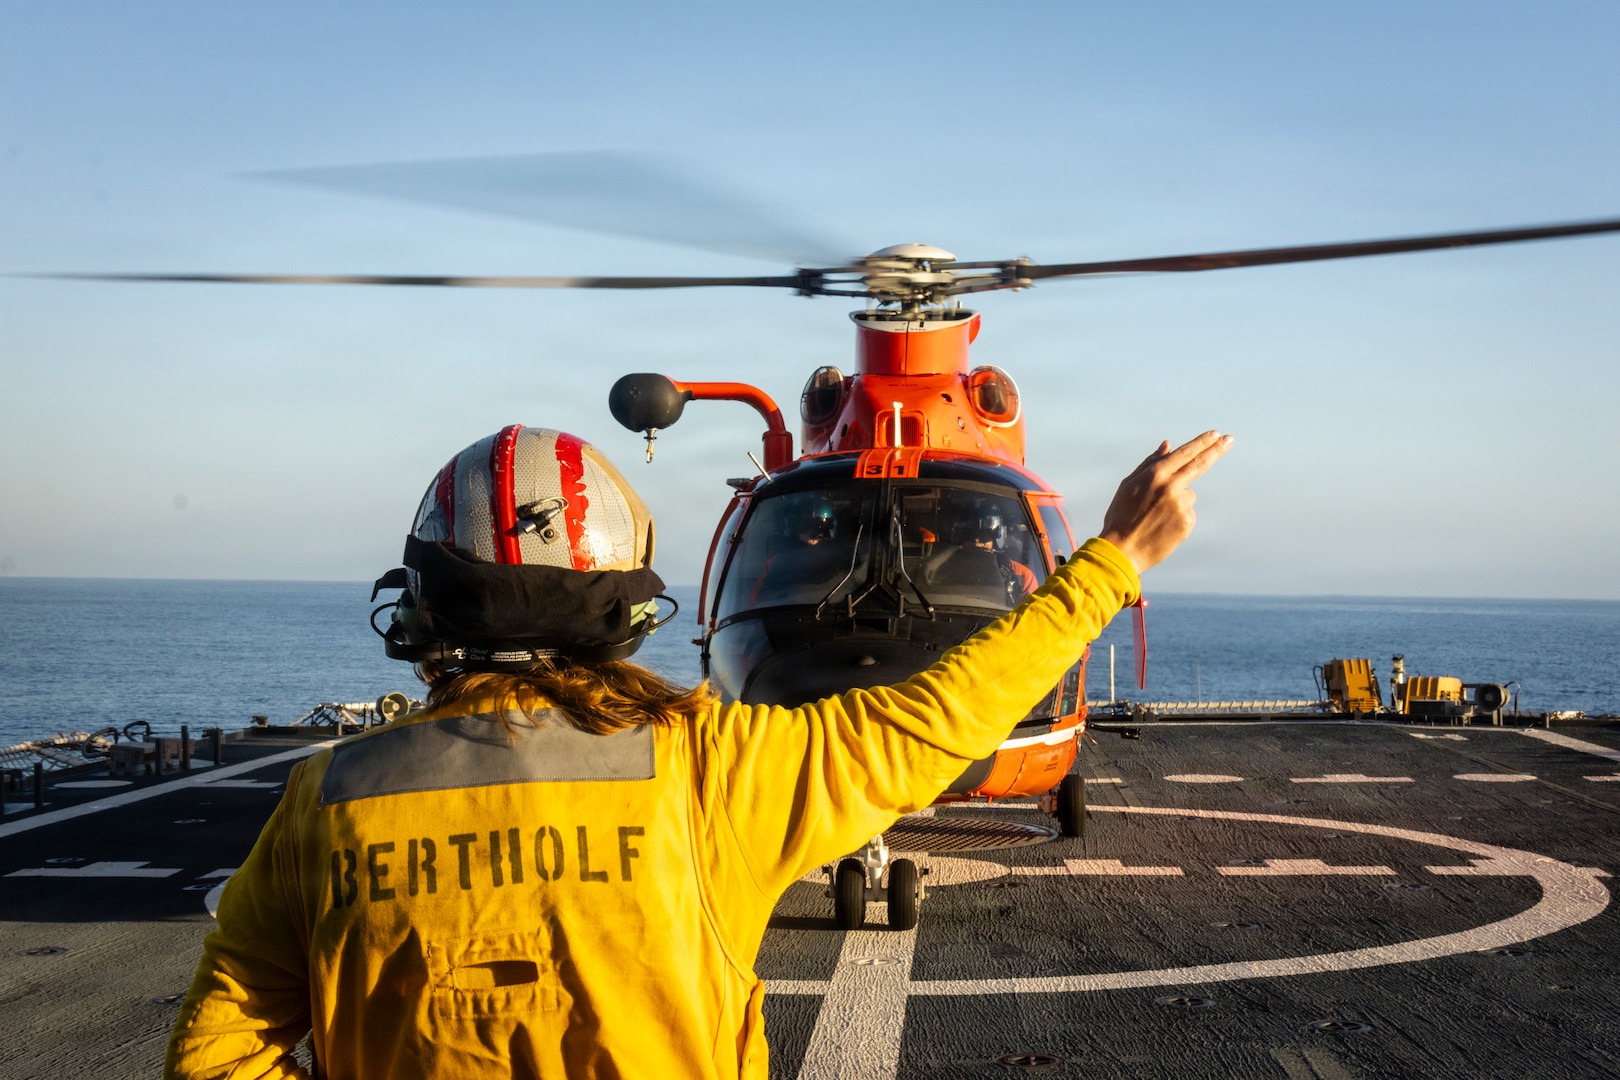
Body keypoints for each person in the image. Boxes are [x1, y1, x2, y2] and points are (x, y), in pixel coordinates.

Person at [165, 425, 1232, 1080]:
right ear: (626, 608)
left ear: (425, 603)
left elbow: (214, 1057)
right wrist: (1110, 563)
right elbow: (936, 718)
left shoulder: (327, 802)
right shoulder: (706, 764)